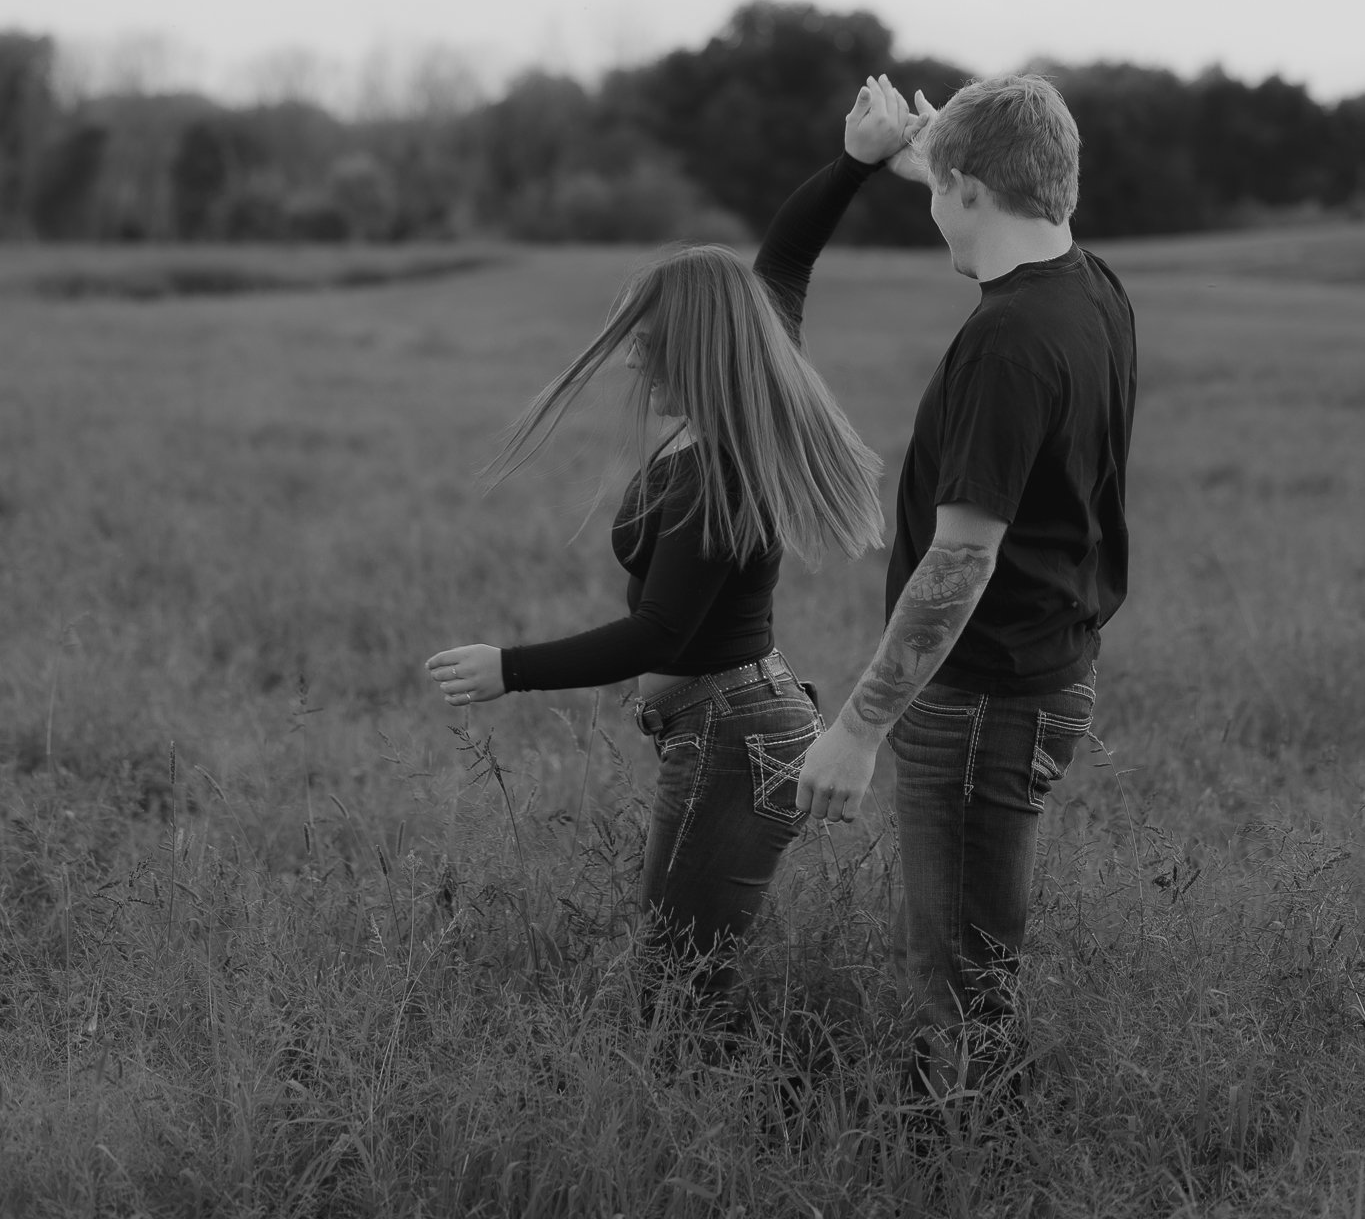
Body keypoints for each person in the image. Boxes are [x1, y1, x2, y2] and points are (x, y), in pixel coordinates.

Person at [426, 78, 912, 1016]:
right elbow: (785, 262)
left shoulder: (714, 471)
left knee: (675, 994)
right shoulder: (742, 407)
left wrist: (508, 668)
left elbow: (659, 633)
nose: (632, 358)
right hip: (737, 722)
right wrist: (853, 163)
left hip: (733, 734)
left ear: (696, 346)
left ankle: (746, 1132)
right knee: (682, 977)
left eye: (648, 342)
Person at [796, 73, 1138, 1092]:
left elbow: (960, 559)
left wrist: (855, 729)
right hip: (1043, 671)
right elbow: (986, 179)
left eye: (940, 186)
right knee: (968, 968)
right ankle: (967, 1163)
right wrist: (914, 153)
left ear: (972, 190)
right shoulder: (1091, 284)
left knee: (956, 985)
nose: (932, 203)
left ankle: (961, 1203)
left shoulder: (1005, 344)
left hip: (986, 698)